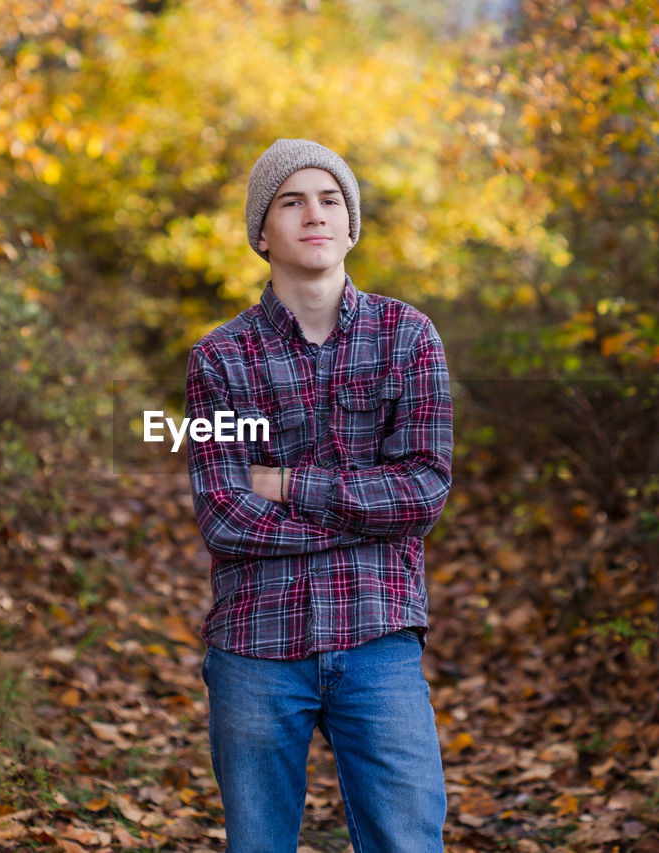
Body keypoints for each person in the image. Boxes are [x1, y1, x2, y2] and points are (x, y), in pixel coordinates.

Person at [184, 138, 454, 852]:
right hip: (255, 641)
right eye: (291, 200)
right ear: (262, 232)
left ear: (350, 221)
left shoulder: (410, 339)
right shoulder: (218, 360)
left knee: (408, 840)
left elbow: (423, 491)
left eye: (330, 199)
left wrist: (292, 485)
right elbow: (225, 515)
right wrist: (365, 516)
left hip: (378, 634)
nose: (314, 215)